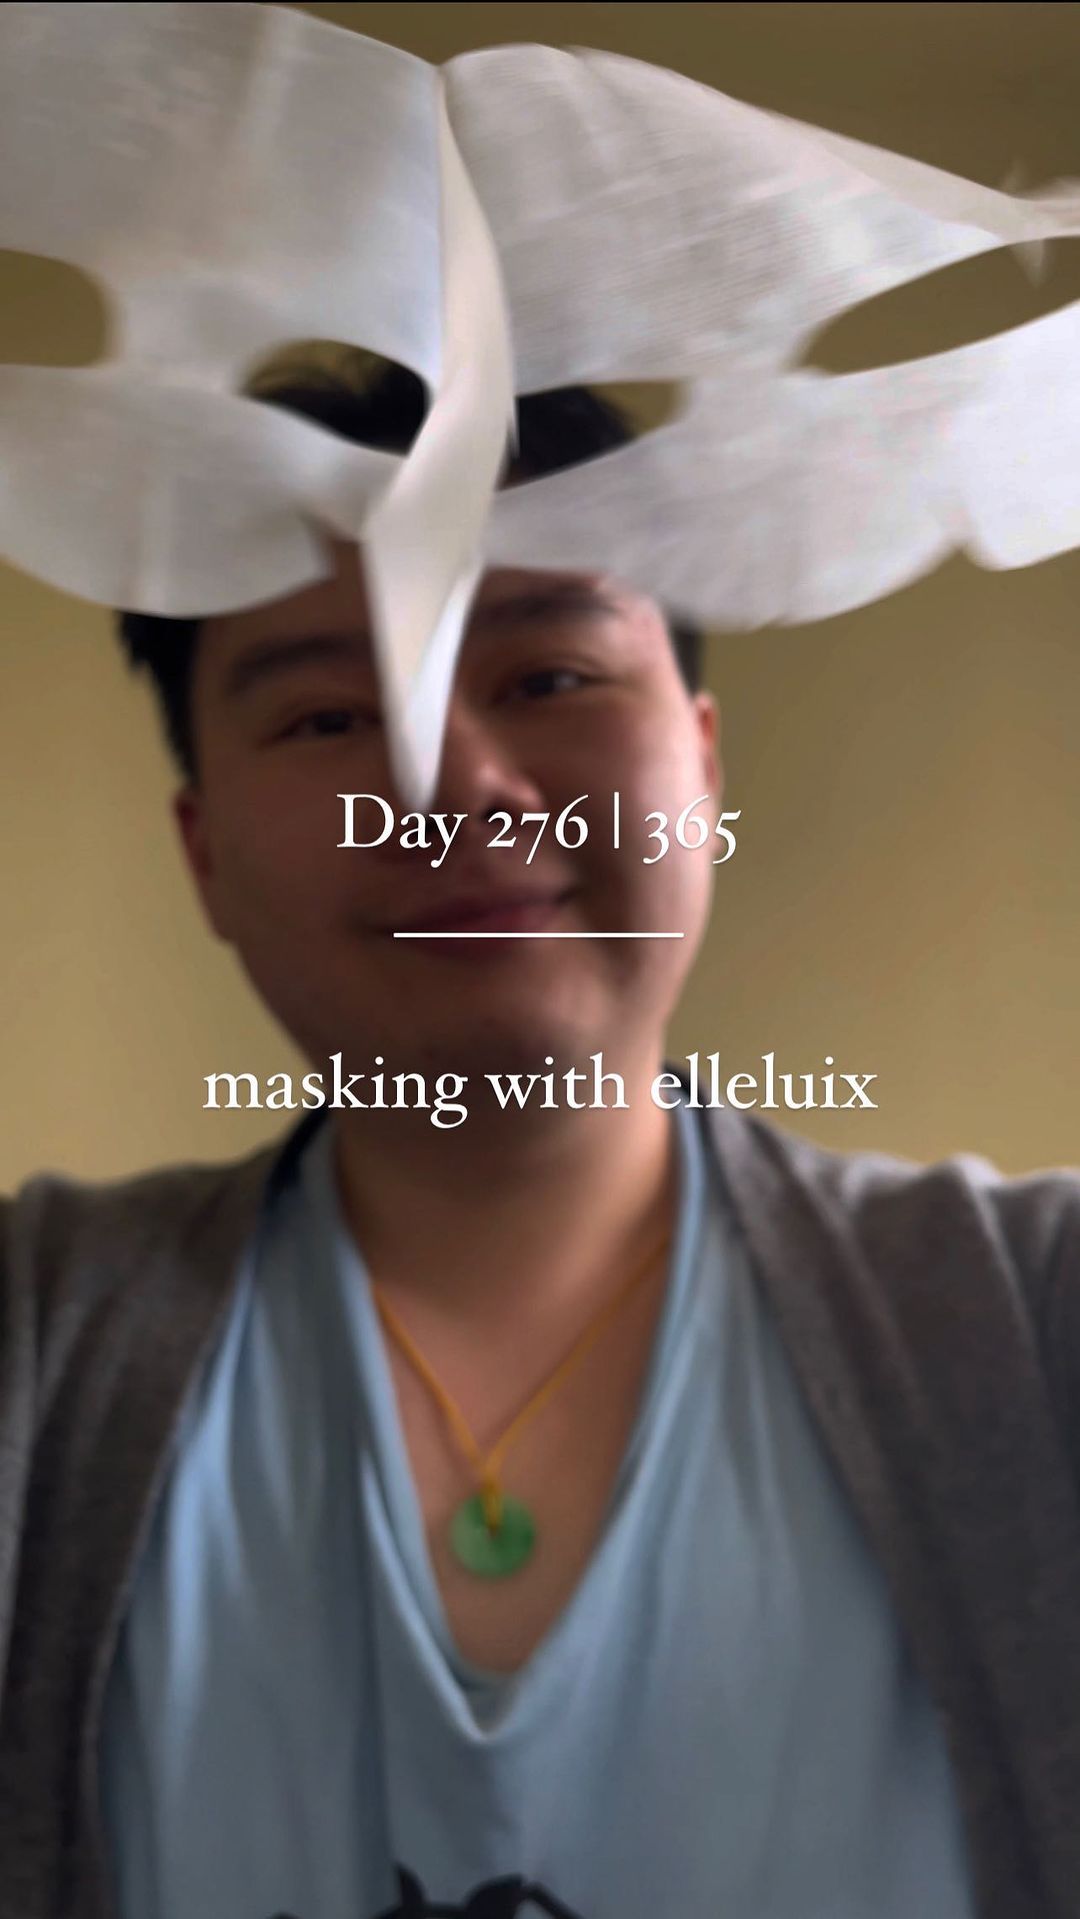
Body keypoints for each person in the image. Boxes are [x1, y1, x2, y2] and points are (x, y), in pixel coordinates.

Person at [3, 359, 1080, 1919]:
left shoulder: (1032, 1319)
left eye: (551, 677)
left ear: (700, 764)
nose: (454, 785)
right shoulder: (36, 1348)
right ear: (205, 854)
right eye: (328, 714)